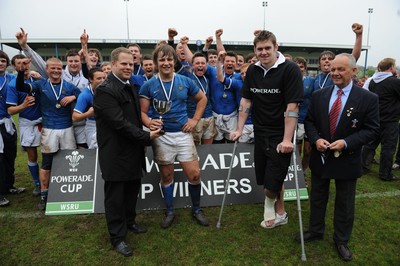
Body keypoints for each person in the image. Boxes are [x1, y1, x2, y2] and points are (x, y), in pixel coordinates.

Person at [299, 53, 379, 261]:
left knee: (344, 202)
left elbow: (372, 130)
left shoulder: (368, 98)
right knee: (317, 197)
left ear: (354, 71)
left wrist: (346, 143)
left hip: (348, 158)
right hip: (321, 156)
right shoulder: (319, 95)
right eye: (333, 69)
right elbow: (309, 122)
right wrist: (315, 139)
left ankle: (341, 239)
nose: (335, 73)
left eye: (340, 69)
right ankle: (316, 230)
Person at [230, 30, 303, 229]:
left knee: (271, 184)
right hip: (260, 132)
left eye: (267, 48)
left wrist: (287, 139)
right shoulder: (253, 71)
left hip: (280, 134)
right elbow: (246, 100)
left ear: (276, 47)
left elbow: (292, 107)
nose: (263, 52)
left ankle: (269, 206)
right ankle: (281, 213)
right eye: (259, 49)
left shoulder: (290, 70)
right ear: (254, 50)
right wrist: (239, 129)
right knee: (267, 178)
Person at [93, 47, 160, 257]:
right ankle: (117, 237)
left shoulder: (130, 84)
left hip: (132, 149)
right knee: (115, 198)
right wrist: (146, 137)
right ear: (112, 65)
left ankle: (130, 222)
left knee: (132, 190)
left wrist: (149, 126)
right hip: (114, 153)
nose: (128, 67)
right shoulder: (104, 90)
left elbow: (136, 117)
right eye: (123, 64)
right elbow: (119, 124)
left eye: (131, 64)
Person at [139, 44, 208, 229]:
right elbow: (143, 113)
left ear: (174, 61)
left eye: (169, 59)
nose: (166, 63)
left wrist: (194, 119)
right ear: (156, 63)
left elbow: (202, 99)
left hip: (184, 134)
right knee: (167, 176)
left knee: (194, 175)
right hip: (162, 136)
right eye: (162, 60)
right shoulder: (148, 85)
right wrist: (148, 123)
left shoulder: (185, 81)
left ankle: (197, 209)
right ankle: (170, 211)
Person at [16, 57, 81, 210]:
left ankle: (67, 191)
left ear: (62, 69)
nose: (56, 71)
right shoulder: (40, 84)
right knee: (47, 162)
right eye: (53, 68)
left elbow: (84, 95)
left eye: (59, 68)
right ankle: (44, 195)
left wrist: (73, 96)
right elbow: (21, 87)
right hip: (49, 129)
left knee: (70, 162)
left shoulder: (69, 86)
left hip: (67, 128)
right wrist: (21, 70)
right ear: (47, 69)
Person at [7, 54, 43, 196]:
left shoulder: (39, 79)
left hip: (44, 121)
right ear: (15, 67)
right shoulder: (12, 85)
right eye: (20, 63)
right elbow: (10, 110)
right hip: (27, 123)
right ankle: (37, 183)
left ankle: (50, 180)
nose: (24, 65)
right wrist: (23, 105)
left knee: (50, 153)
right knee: (32, 155)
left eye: (26, 62)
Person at [361, 58, 400, 181]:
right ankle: (385, 173)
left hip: (375, 118)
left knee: (369, 144)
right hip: (390, 120)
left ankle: (362, 166)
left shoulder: (373, 81)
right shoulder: (394, 82)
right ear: (391, 67)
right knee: (388, 148)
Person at [0, 51, 25, 207]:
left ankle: (9, 185)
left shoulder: (12, 79)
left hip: (8, 122)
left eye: (3, 61)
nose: (1, 63)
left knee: (10, 156)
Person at [314, 23, 363, 91]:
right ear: (319, 63)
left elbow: (353, 57)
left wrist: (359, 35)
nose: (327, 60)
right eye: (324, 59)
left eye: (330, 59)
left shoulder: (337, 76)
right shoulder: (315, 79)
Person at [73, 67, 106, 149]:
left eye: (104, 78)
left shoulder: (108, 88)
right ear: (91, 80)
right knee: (94, 151)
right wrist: (88, 113)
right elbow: (75, 117)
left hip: (107, 123)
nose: (102, 80)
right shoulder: (85, 95)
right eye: (99, 78)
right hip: (93, 124)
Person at [294, 56, 315, 173]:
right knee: (296, 150)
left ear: (305, 68)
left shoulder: (311, 81)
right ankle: (296, 173)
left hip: (307, 120)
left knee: (308, 151)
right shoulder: (289, 81)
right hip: (295, 120)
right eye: (296, 67)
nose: (299, 69)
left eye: (301, 67)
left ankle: (303, 172)